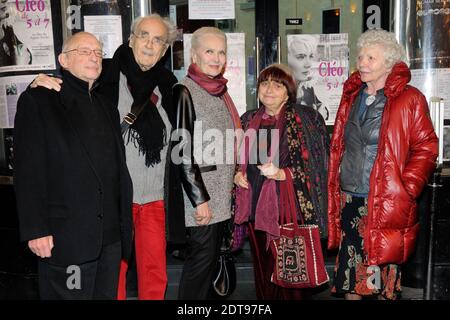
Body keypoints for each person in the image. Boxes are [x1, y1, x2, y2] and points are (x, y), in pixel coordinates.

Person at [30, 14, 184, 300]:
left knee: (154, 272)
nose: (150, 44)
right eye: (144, 36)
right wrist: (36, 81)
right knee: (114, 275)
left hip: (154, 198)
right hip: (114, 199)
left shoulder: (170, 86)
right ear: (131, 39)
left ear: (165, 51)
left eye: (158, 40)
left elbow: (182, 140)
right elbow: (69, 88)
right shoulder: (105, 73)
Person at [14, 32, 133, 299]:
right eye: (84, 51)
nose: (93, 57)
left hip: (110, 240)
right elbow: (28, 171)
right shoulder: (39, 100)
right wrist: (36, 230)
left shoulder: (106, 106)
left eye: (98, 52)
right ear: (63, 60)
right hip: (67, 239)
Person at [327, 29, 438, 300]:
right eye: (361, 56)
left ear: (389, 64)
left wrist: (407, 187)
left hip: (384, 203)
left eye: (371, 58)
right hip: (350, 199)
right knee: (351, 277)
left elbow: (427, 147)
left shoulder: (409, 99)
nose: (362, 62)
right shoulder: (352, 96)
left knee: (377, 277)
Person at [233, 64, 329, 300]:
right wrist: (236, 173)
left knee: (289, 278)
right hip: (255, 210)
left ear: (288, 91)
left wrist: (283, 174)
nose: (269, 90)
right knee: (263, 273)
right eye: (265, 84)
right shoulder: (248, 120)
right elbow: (236, 158)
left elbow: (319, 166)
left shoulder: (306, 119)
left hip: (289, 211)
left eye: (277, 85)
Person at [172, 26, 241, 300]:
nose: (216, 57)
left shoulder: (219, 91)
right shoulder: (185, 91)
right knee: (199, 270)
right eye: (209, 51)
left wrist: (235, 174)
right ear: (194, 54)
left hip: (220, 197)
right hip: (201, 202)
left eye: (221, 52)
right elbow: (182, 152)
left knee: (210, 267)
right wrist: (199, 200)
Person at [288, 35, 329, 121]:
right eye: (301, 57)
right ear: (288, 59)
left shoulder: (306, 87)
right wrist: (316, 116)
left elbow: (322, 109)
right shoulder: (281, 92)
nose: (308, 64)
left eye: (310, 56)